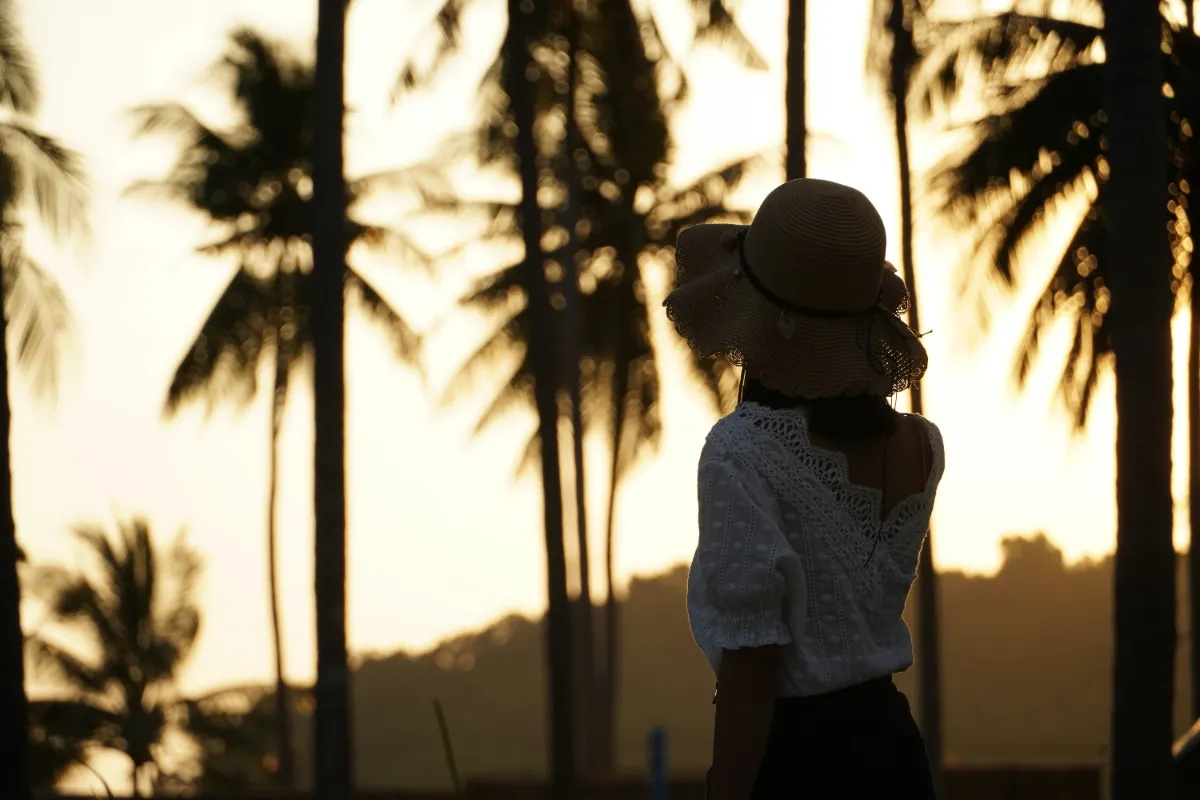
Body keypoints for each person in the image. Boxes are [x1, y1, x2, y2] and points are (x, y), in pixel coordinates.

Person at [663, 178, 945, 799]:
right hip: (894, 757)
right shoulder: (922, 447)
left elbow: (754, 661)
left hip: (795, 764)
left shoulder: (742, 450)